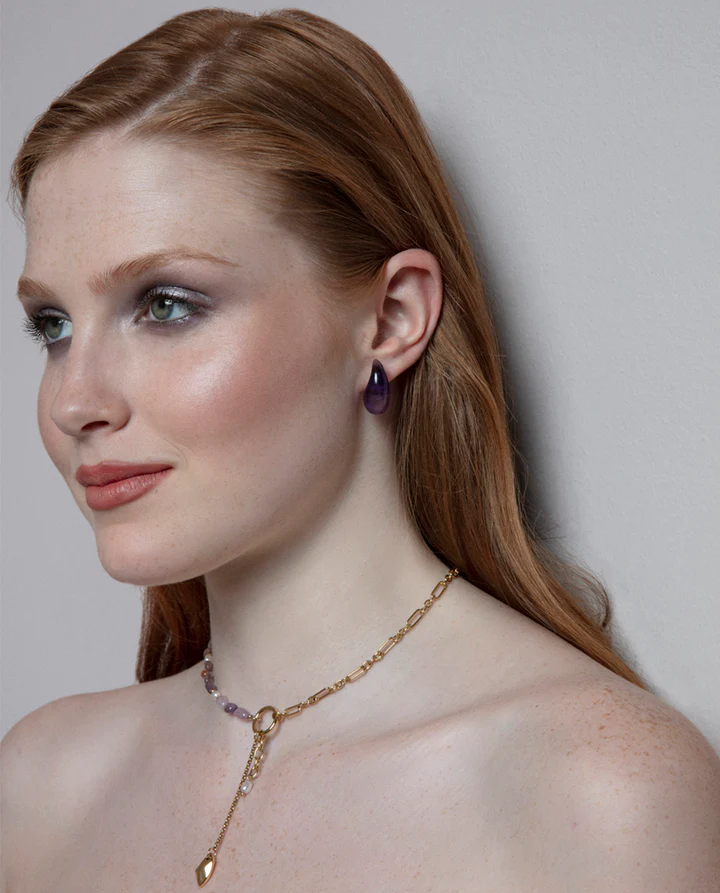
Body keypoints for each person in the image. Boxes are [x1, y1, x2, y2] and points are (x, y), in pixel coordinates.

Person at [2, 7, 719, 891]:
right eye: (53, 325)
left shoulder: (597, 792)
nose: (75, 400)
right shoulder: (42, 784)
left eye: (167, 305)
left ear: (392, 318)